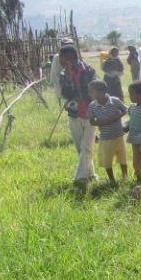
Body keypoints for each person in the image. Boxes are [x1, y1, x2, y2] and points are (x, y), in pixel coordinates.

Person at [58, 45, 98, 183]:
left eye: (65, 60)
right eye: (62, 62)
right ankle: (91, 174)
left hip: (90, 113)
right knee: (81, 148)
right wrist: (69, 76)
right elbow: (66, 94)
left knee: (86, 147)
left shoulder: (88, 70)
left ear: (73, 58)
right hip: (74, 114)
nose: (64, 64)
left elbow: (94, 90)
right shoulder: (64, 75)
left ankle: (80, 179)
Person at [88, 80, 128, 185]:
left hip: (118, 135)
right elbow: (92, 121)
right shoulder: (92, 105)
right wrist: (102, 122)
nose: (90, 94)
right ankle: (112, 180)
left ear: (102, 92)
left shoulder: (114, 101)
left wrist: (116, 117)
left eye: (92, 91)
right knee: (107, 160)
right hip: (105, 137)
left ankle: (125, 177)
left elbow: (125, 110)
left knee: (122, 158)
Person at [51, 37, 75, 106]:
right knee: (60, 91)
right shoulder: (57, 57)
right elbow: (56, 73)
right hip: (59, 78)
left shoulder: (73, 55)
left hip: (68, 78)